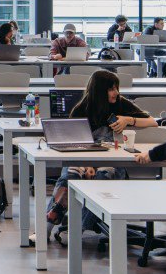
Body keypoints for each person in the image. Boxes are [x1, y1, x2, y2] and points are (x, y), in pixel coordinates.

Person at [46, 69, 159, 225]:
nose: (116, 92)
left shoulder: (121, 103)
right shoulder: (81, 110)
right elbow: (74, 145)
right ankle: (46, 227)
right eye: (111, 89)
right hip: (82, 158)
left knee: (103, 176)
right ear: (99, 91)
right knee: (69, 177)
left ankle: (79, 229)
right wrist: (88, 164)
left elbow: (153, 122)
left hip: (112, 160)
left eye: (116, 88)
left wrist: (128, 119)